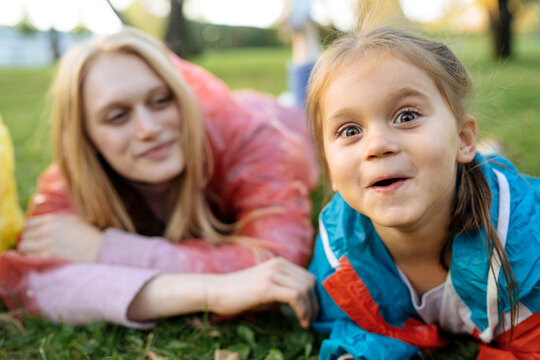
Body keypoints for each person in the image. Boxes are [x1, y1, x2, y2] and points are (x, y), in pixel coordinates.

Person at [0, 27, 319, 329]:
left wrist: (107, 250)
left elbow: (279, 262)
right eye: (117, 116)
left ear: (182, 97)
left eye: (161, 100)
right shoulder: (72, 175)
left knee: (310, 106)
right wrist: (212, 291)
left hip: (289, 125)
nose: (149, 128)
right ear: (87, 137)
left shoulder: (250, 136)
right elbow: (24, 283)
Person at [306, 27, 540, 359]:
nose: (377, 145)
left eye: (406, 116)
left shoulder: (524, 241)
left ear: (462, 138)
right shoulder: (338, 254)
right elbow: (349, 326)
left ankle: (488, 153)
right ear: (328, 167)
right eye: (350, 130)